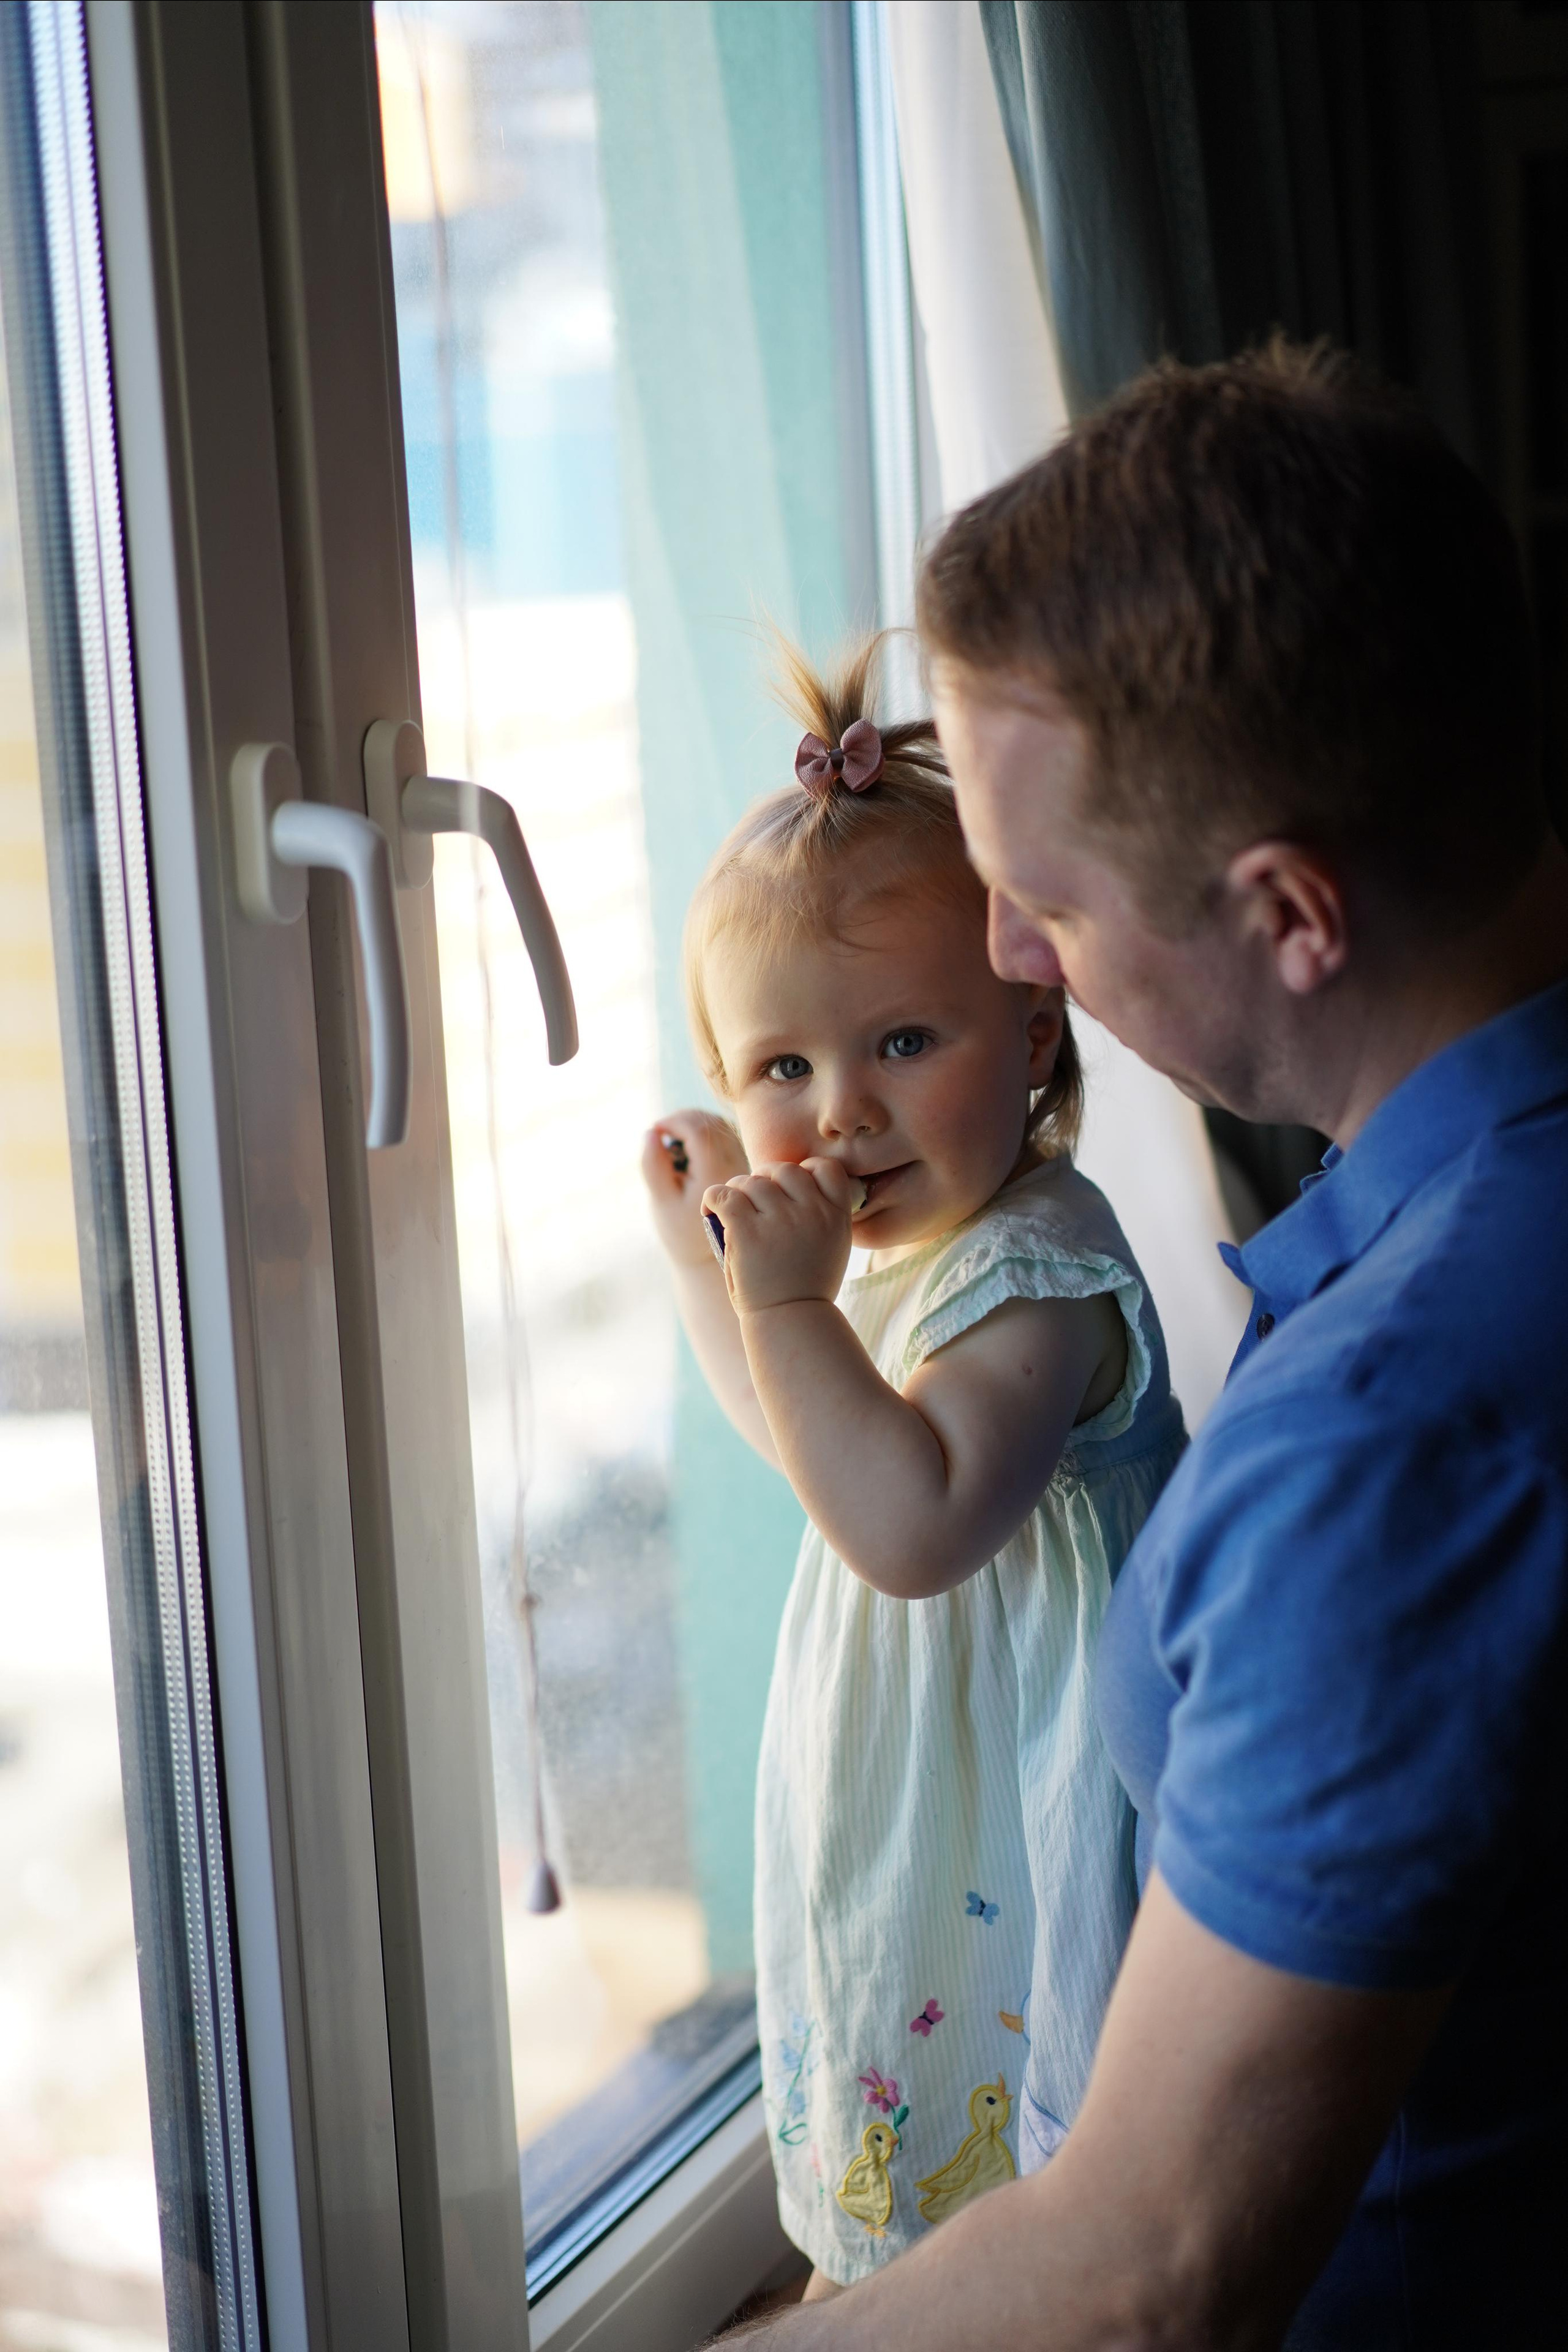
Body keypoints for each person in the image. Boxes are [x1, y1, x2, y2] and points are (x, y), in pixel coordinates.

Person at [716, 343, 1568, 2348]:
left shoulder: (1394, 1434)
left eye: (1045, 910)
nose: (1014, 964)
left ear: (1288, 913)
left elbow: (1149, 2274)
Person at [641, 643, 1186, 2296]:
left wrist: (790, 1299)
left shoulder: (1038, 1270)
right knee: (902, 2110)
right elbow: (824, 1462)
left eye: (900, 1041)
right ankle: (890, 2278)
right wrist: (713, 1280)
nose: (841, 1117)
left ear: (1032, 1036)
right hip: (918, 1802)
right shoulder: (898, 1264)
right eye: (783, 1072)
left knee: (1024, 2182)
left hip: (1024, 1803)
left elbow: (910, 1523)